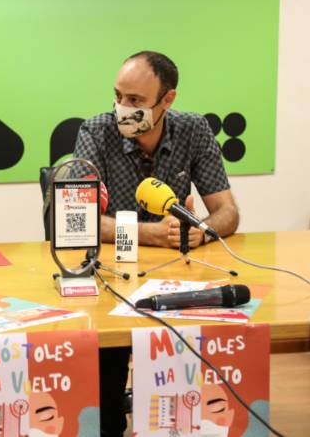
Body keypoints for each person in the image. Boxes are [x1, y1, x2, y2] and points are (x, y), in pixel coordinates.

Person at [73, 51, 239, 437]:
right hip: (112, 278)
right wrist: (152, 234)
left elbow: (228, 212)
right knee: (106, 369)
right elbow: (77, 220)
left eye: (135, 100)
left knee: (188, 367)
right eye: (118, 96)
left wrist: (201, 230)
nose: (122, 108)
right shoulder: (95, 132)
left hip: (174, 277)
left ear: (167, 100)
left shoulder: (193, 129)